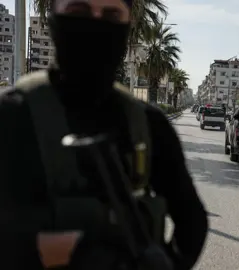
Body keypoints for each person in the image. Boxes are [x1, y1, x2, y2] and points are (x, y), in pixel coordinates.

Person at [0, 0, 208, 269]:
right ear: (52, 18)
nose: (95, 25)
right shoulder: (12, 116)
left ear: (128, 25)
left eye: (111, 15)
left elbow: (191, 220)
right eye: (79, 12)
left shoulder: (147, 123)